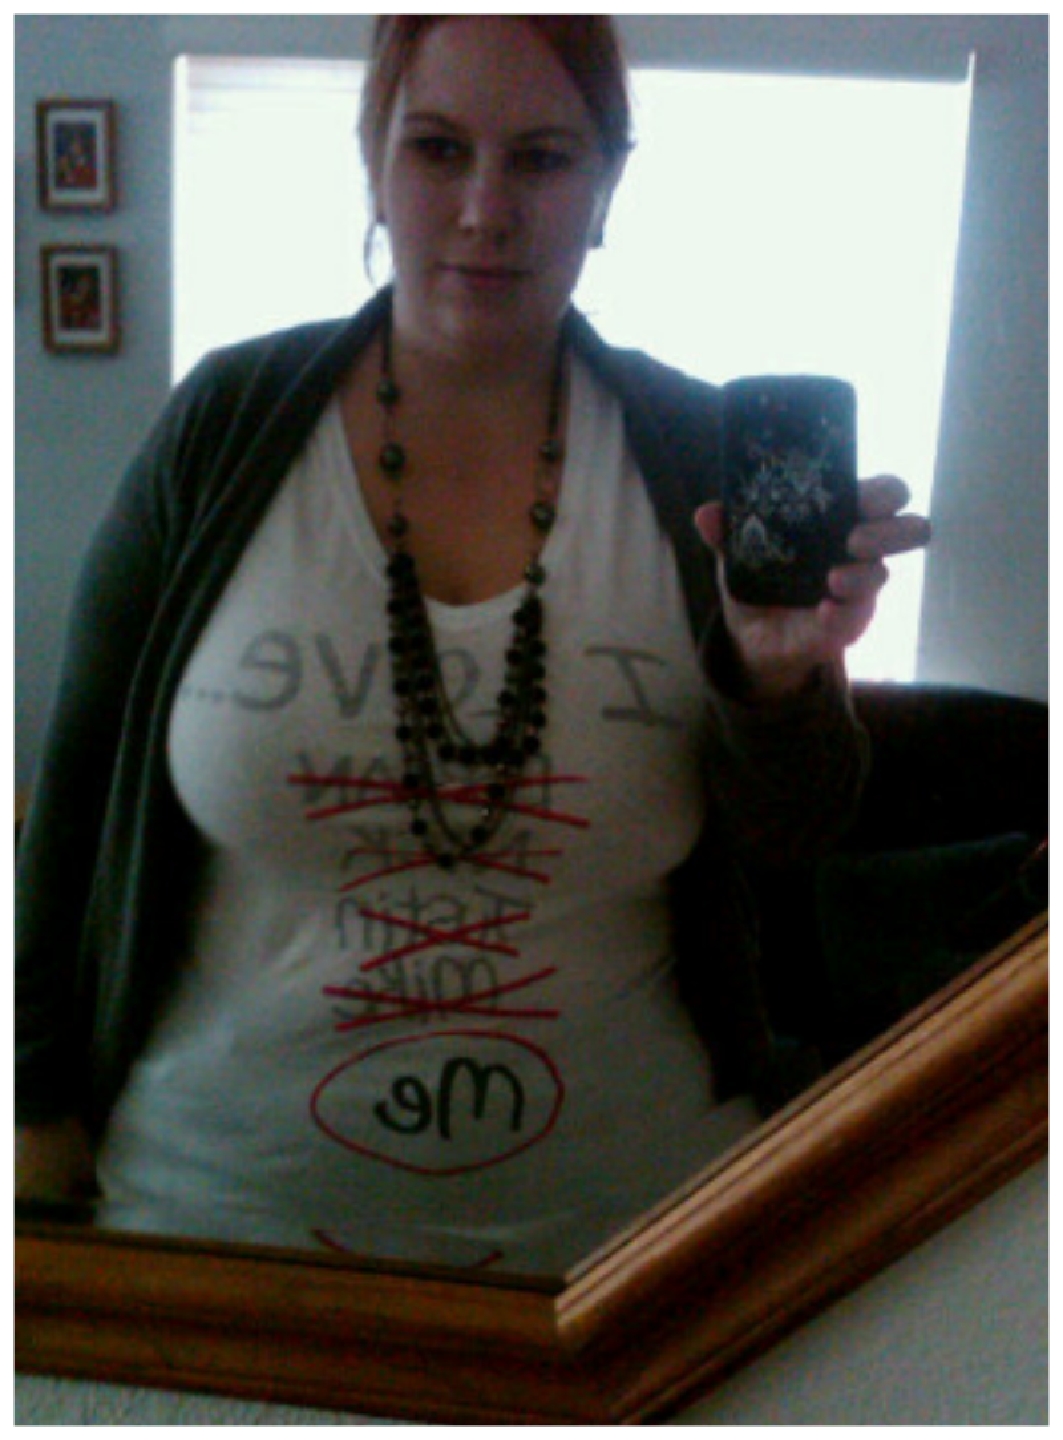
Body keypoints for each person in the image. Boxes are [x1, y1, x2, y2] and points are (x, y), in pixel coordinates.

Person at [16, 16, 930, 1271]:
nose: (485, 211)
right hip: (214, 1244)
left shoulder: (692, 452)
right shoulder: (224, 426)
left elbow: (794, 832)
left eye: (543, 158)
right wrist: (30, 1104)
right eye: (438, 149)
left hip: (630, 1269)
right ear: (375, 162)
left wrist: (776, 680)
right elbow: (72, 798)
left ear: (605, 185)